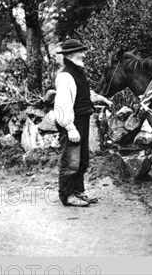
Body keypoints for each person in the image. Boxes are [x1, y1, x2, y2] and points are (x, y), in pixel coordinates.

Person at [53, 39, 112, 207]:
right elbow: (62, 105)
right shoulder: (65, 76)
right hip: (72, 123)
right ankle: (67, 195)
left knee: (82, 160)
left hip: (82, 120)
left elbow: (83, 94)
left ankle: (78, 192)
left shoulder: (77, 72)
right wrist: (70, 128)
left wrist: (101, 99)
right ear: (71, 55)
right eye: (81, 51)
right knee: (71, 161)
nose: (85, 54)